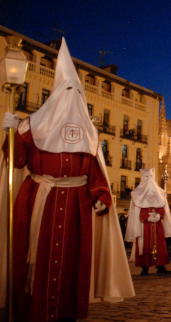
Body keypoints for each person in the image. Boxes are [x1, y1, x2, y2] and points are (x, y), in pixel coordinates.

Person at [0, 38, 134, 322]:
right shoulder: (31, 127)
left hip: (75, 206)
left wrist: (100, 196)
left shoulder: (90, 135)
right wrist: (11, 135)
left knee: (72, 261)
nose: (72, 97)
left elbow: (95, 173)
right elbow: (17, 161)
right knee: (32, 258)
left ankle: (65, 312)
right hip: (38, 200)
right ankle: (30, 311)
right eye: (67, 91)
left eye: (77, 92)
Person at [125, 168, 171, 275]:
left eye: (150, 177)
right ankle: (144, 267)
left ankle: (161, 266)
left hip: (157, 223)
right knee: (145, 244)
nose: (149, 180)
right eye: (147, 177)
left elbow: (162, 206)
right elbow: (137, 210)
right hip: (144, 224)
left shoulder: (160, 192)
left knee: (159, 244)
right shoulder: (137, 194)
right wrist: (146, 216)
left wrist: (159, 214)